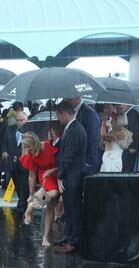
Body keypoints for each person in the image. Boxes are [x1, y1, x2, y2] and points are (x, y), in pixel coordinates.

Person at [54, 100, 88, 254]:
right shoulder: (73, 128)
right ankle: (69, 237)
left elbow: (68, 156)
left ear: (65, 114)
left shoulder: (75, 130)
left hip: (72, 178)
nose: (58, 119)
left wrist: (60, 175)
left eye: (58, 116)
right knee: (69, 209)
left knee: (73, 210)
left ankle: (73, 242)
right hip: (72, 176)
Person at [19, 129, 61, 247]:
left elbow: (61, 162)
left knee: (51, 207)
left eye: (28, 147)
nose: (28, 150)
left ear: (35, 143)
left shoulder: (49, 145)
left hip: (56, 172)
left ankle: (45, 238)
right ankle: (33, 205)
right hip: (45, 175)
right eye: (25, 147)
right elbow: (31, 176)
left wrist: (54, 170)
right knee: (54, 192)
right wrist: (31, 194)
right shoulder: (31, 155)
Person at [63, 96, 101, 174]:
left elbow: (93, 141)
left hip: (83, 168)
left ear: (74, 97)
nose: (64, 100)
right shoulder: (70, 113)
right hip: (73, 166)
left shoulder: (90, 114)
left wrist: (88, 166)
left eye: (66, 98)